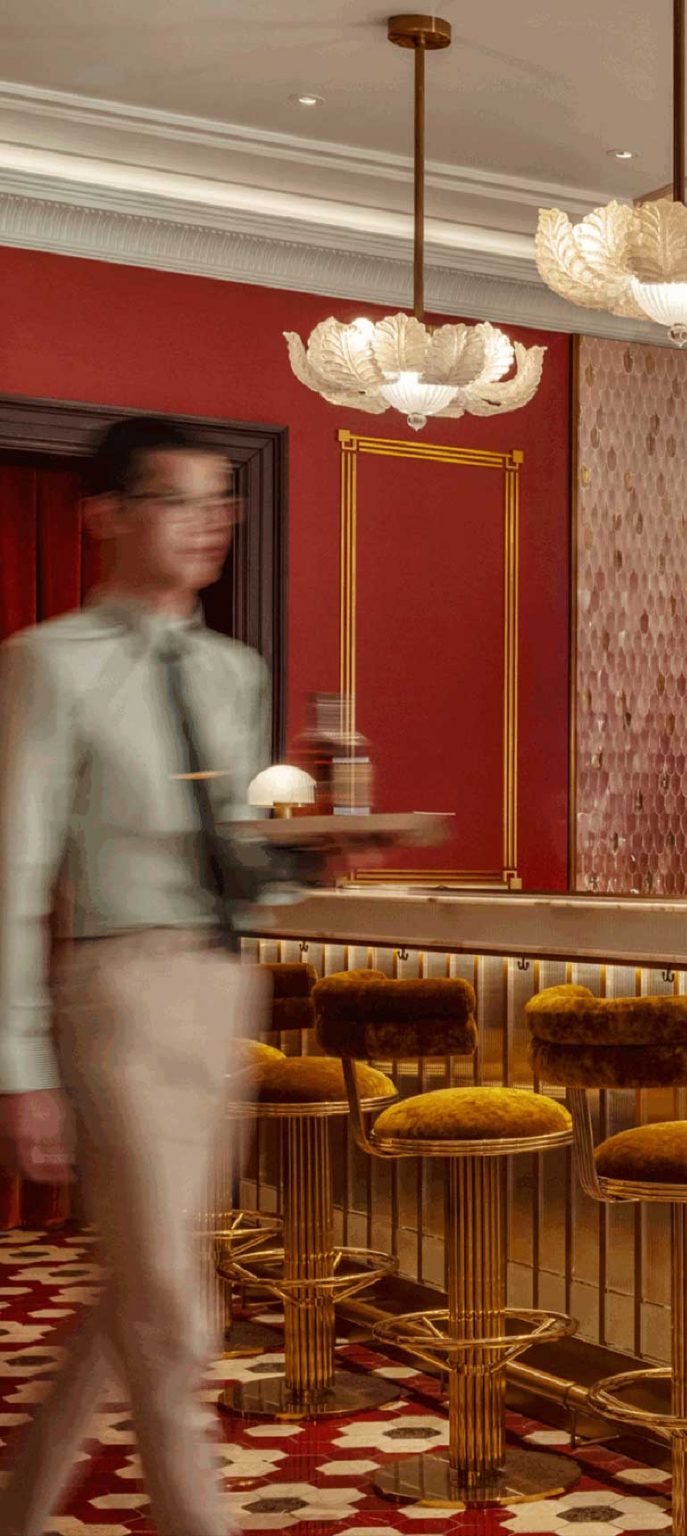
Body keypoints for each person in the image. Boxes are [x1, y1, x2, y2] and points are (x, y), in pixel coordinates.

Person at [0, 416, 289, 1536]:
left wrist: (301, 857)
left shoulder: (235, 670)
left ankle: (19, 1505)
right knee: (176, 1309)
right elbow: (16, 869)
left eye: (223, 500)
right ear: (107, 518)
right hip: (114, 993)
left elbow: (238, 859)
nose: (213, 523)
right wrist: (20, 1064)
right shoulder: (45, 664)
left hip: (223, 988)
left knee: (143, 1277)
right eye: (182, 500)